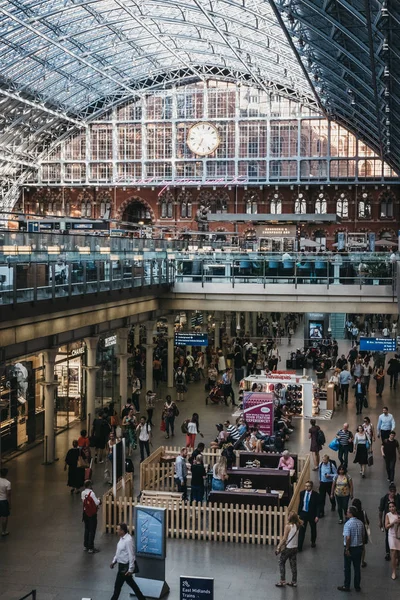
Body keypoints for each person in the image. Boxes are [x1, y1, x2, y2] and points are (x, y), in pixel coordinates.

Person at [110, 523, 147, 600]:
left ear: (122, 531)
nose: (117, 531)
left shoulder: (128, 540)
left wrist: (130, 569)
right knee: (131, 584)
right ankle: (142, 598)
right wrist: (114, 561)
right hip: (121, 566)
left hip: (124, 568)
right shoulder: (122, 538)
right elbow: (119, 552)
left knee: (117, 586)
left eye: (118, 529)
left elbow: (131, 555)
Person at [337, 506, 365, 592]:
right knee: (357, 568)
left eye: (348, 512)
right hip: (359, 547)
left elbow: (348, 538)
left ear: (351, 513)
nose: (346, 513)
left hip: (350, 548)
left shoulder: (347, 524)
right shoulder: (360, 523)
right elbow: (363, 536)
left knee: (347, 568)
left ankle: (347, 585)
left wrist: (347, 549)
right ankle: (357, 586)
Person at [275, 511, 302, 587]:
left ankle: (282, 581)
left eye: (288, 515)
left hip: (289, 548)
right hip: (295, 547)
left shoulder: (288, 526)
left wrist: (278, 547)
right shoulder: (298, 525)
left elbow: (284, 539)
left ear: (290, 518)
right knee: (293, 564)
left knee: (281, 562)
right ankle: (294, 581)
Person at [379, 483, 400, 561]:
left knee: (398, 535)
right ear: (389, 491)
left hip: (397, 520)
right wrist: (380, 522)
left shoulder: (398, 498)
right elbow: (381, 511)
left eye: (394, 491)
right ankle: (388, 552)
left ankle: (397, 551)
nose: (393, 493)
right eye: (391, 491)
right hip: (388, 520)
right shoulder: (384, 499)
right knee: (388, 535)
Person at [298, 481, 319, 551]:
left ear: (311, 487)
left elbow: (317, 506)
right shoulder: (302, 493)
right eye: (306, 486)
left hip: (312, 514)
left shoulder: (316, 495)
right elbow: (300, 504)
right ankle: (299, 546)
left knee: (313, 529)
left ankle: (313, 541)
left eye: (308, 486)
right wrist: (299, 514)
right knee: (302, 530)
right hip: (303, 513)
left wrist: (317, 516)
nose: (307, 487)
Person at [81, 479, 101, 553]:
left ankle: (85, 545)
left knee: (87, 529)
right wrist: (99, 500)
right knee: (92, 530)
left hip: (85, 513)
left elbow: (83, 501)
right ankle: (91, 547)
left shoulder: (83, 493)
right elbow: (96, 503)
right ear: (89, 485)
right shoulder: (92, 493)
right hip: (92, 514)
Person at [351, 498, 369, 569]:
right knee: (363, 547)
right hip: (362, 532)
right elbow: (367, 522)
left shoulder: (352, 513)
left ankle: (355, 560)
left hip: (354, 532)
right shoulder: (363, 512)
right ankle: (362, 561)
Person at [385, 501, 400, 579]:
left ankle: (397, 562)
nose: (392, 508)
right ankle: (393, 572)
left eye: (393, 506)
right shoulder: (388, 515)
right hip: (392, 536)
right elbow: (386, 526)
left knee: (398, 554)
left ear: (396, 507)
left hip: (399, 536)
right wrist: (393, 522)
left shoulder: (399, 515)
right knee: (393, 553)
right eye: (390, 507)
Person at [0, 467, 11, 537]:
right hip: (3, 501)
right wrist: (9, 504)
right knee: (4, 516)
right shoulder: (7, 483)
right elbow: (8, 495)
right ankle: (3, 531)